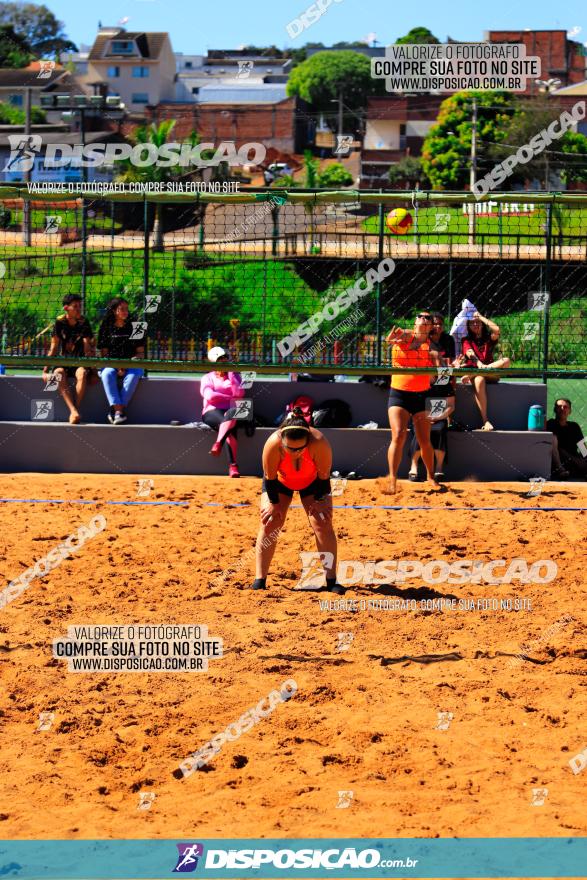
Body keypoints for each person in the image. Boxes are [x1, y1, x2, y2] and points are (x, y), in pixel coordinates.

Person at [252, 407, 343, 593]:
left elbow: (324, 479)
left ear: (307, 441)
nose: (294, 452)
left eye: (300, 449)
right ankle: (259, 580)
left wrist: (320, 501)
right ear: (282, 440)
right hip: (280, 482)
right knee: (270, 522)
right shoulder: (272, 444)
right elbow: (270, 479)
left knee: (323, 522)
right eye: (289, 448)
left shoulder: (320, 443)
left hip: (313, 483)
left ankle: (331, 580)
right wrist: (274, 505)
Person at [386, 312, 443, 493]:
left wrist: (445, 369)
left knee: (425, 440)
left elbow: (441, 375)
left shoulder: (432, 347)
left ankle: (431, 477)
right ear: (415, 321)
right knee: (398, 434)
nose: (424, 319)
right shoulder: (405, 335)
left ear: (432, 326)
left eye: (428, 318)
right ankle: (392, 479)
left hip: (420, 395)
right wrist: (391, 340)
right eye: (420, 316)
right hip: (399, 394)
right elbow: (390, 340)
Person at [409, 312, 457, 481]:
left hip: (437, 409)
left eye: (438, 362)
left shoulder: (443, 376)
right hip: (422, 410)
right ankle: (413, 467)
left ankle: (438, 469)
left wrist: (437, 416)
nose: (435, 364)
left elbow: (451, 404)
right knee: (419, 427)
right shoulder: (421, 378)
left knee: (440, 428)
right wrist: (425, 416)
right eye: (431, 361)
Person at [42, 293, 97, 424]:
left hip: (79, 361)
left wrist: (94, 372)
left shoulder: (84, 322)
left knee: (82, 373)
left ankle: (74, 410)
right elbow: (54, 347)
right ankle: (73, 410)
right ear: (67, 308)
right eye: (75, 306)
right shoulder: (60, 322)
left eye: (80, 306)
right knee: (58, 373)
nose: (79, 309)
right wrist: (45, 370)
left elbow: (88, 348)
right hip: (63, 361)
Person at [456, 312, 510, 431]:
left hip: (489, 372)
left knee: (506, 360)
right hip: (478, 371)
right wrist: (479, 364)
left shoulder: (488, 338)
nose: (475, 324)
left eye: (478, 322)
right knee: (479, 380)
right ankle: (485, 421)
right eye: (472, 323)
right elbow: (470, 354)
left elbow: (497, 330)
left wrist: (480, 317)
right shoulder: (466, 340)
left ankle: (478, 372)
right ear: (468, 326)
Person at [97, 297, 145, 425]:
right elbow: (104, 354)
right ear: (114, 311)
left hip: (131, 364)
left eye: (126, 309)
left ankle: (116, 411)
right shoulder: (105, 327)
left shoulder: (136, 326)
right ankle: (119, 412)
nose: (125, 312)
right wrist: (117, 367)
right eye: (121, 309)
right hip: (111, 363)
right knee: (107, 373)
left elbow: (140, 352)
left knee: (134, 374)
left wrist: (129, 363)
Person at [200, 346, 245, 478]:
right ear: (214, 362)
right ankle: (233, 466)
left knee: (231, 414)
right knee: (230, 429)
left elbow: (240, 393)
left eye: (226, 358)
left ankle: (218, 443)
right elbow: (210, 396)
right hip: (211, 411)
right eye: (221, 359)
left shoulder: (235, 376)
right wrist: (230, 397)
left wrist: (232, 376)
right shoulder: (207, 377)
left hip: (232, 411)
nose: (224, 361)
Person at [547, 399, 587, 480]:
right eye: (559, 407)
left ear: (570, 411)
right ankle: (561, 471)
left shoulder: (574, 426)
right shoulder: (550, 424)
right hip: (558, 461)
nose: (562, 409)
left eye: (565, 407)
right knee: (554, 439)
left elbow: (583, 449)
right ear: (555, 410)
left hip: (574, 460)